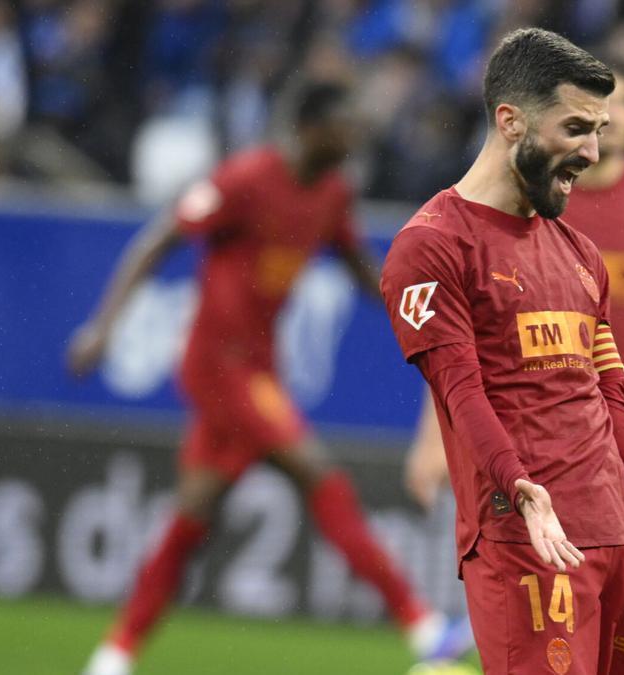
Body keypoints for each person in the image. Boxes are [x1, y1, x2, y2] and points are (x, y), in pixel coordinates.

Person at [380, 29, 624, 675]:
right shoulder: (432, 247)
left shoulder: (582, 256)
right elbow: (460, 389)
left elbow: (615, 404)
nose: (594, 149)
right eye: (578, 128)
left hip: (615, 539)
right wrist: (519, 486)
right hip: (528, 540)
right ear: (510, 121)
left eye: (601, 128)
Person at [65, 82, 469, 675]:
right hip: (216, 365)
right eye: (344, 126)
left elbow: (358, 264)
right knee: (317, 471)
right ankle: (421, 624)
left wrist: (414, 308)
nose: (355, 138)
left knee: (192, 516)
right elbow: (159, 241)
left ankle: (114, 654)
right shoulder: (245, 179)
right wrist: (103, 327)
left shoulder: (332, 193)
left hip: (258, 369)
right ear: (309, 129)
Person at [403, 60, 624, 511]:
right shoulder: (534, 197)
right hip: (529, 438)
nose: (619, 117)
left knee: (615, 574)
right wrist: (435, 434)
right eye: (606, 105)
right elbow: (464, 327)